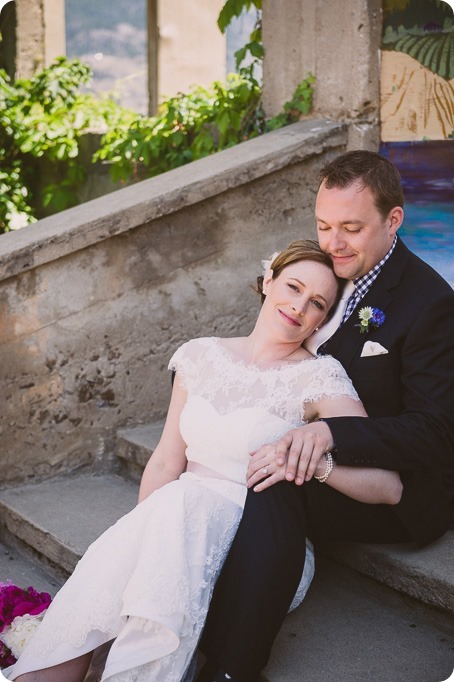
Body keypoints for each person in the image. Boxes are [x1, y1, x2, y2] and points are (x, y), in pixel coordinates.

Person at [4, 241, 402, 682]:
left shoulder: (320, 377)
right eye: (293, 286)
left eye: (317, 304)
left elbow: (387, 486)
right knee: (166, 511)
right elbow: (165, 462)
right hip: (173, 525)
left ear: (322, 320)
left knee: (177, 506)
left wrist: (317, 464)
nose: (299, 306)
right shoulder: (199, 354)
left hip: (253, 540)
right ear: (268, 281)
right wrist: (141, 544)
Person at [197, 150, 454, 682]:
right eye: (324, 225)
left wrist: (327, 434)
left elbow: (435, 434)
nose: (333, 243)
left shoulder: (432, 304)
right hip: (310, 441)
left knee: (273, 480)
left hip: (399, 490)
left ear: (393, 220)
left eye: (351, 228)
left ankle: (232, 669)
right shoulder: (323, 274)